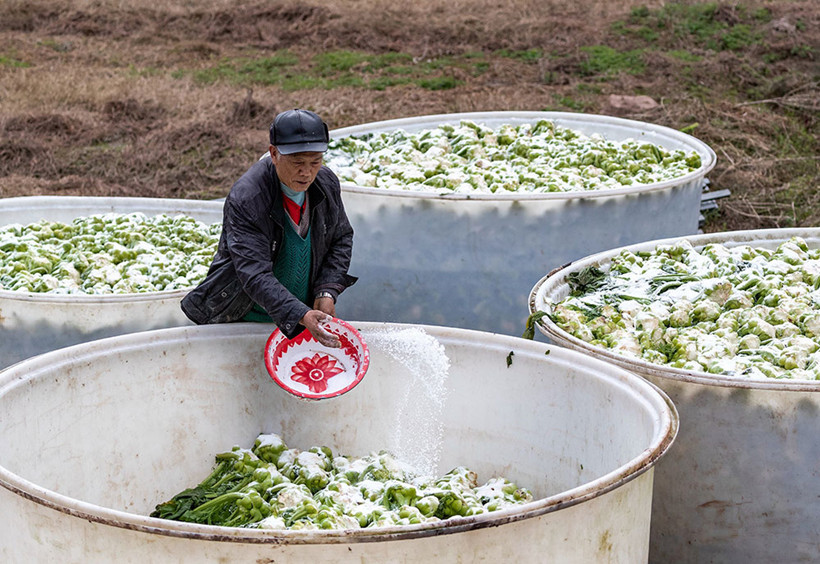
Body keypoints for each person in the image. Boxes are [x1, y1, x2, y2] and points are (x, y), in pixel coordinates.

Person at [181, 109, 356, 348]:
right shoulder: (248, 197)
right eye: (297, 163)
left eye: (315, 161)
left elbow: (341, 238)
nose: (306, 172)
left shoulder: (325, 184)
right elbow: (254, 273)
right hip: (243, 315)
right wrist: (300, 314)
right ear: (274, 154)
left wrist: (326, 291)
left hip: (300, 318)